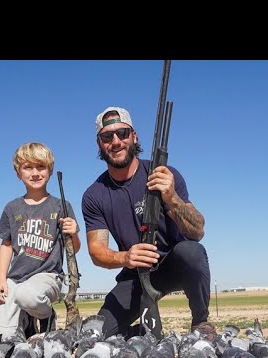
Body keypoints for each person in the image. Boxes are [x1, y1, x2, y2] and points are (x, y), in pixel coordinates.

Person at [81, 106, 210, 339]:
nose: (116, 141)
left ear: (134, 136)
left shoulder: (164, 174)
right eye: (107, 136)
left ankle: (201, 324)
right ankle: (145, 333)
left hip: (173, 264)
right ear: (99, 143)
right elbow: (96, 251)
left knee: (192, 251)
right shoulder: (94, 195)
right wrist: (125, 258)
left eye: (122, 133)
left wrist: (171, 198)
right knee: (96, 335)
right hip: (135, 274)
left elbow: (198, 231)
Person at [0, 142, 81, 339]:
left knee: (27, 295)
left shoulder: (61, 206)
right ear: (18, 173)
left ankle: (47, 315)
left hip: (48, 276)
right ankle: (27, 321)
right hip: (16, 279)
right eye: (28, 167)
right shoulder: (11, 208)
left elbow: (74, 249)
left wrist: (73, 233)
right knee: (1, 336)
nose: (35, 173)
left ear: (50, 170)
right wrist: (1, 280)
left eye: (41, 167)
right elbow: (6, 245)